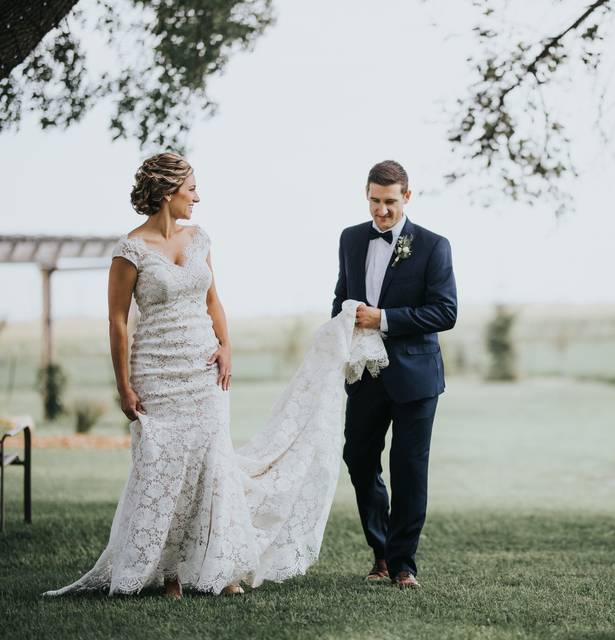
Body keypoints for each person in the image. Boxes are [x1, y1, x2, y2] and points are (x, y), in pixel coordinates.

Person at [44, 152, 386, 598]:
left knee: (212, 465)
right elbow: (117, 321)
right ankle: (169, 574)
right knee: (161, 468)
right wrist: (123, 385)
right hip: (157, 372)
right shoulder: (130, 250)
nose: (197, 197)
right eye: (191, 189)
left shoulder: (200, 238)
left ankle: (219, 569)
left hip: (204, 370)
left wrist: (226, 346)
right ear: (168, 193)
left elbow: (213, 300)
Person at [333, 160, 457, 589]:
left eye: (389, 201)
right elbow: (341, 298)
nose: (381, 210)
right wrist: (342, 328)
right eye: (374, 200)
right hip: (364, 374)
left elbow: (445, 311)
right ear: (366, 195)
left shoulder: (433, 246)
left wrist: (382, 318)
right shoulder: (350, 239)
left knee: (408, 468)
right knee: (359, 459)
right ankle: (381, 550)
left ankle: (403, 565)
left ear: (407, 196)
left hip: (416, 378)